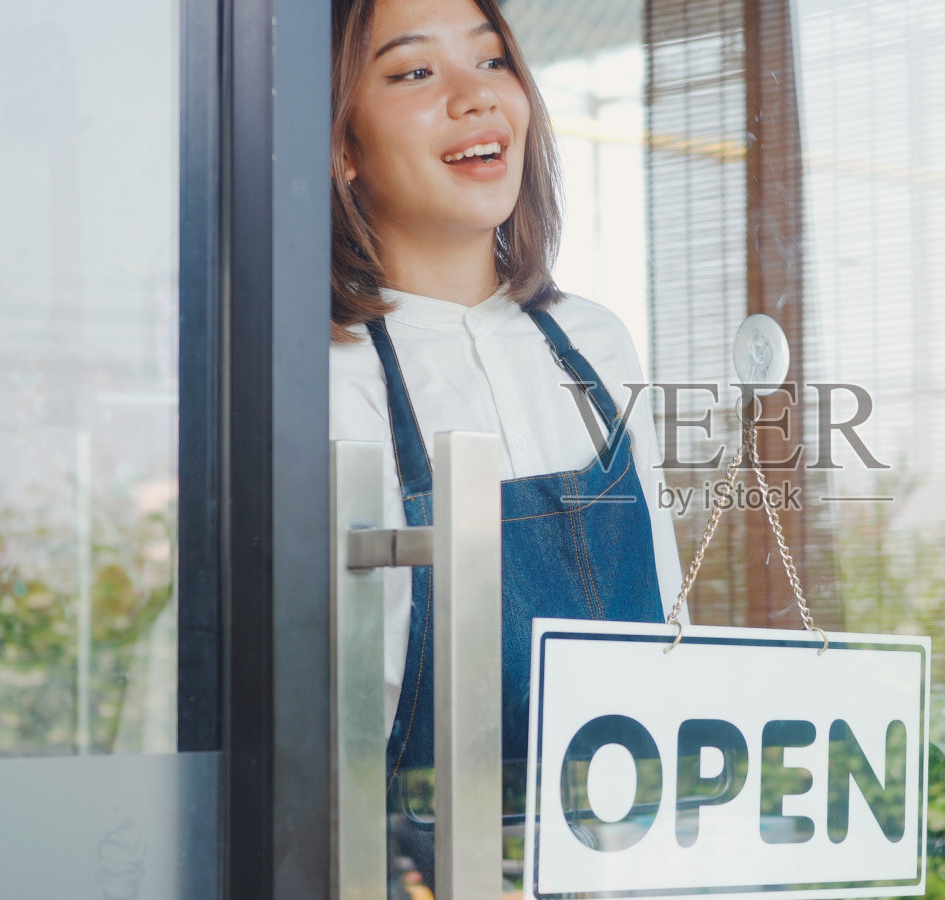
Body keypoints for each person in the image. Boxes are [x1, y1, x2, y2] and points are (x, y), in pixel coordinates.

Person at [324, 0, 683, 889]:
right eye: (414, 71)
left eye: (491, 62)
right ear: (342, 145)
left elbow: (671, 625)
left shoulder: (595, 344)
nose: (475, 96)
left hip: (620, 857)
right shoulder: (323, 370)